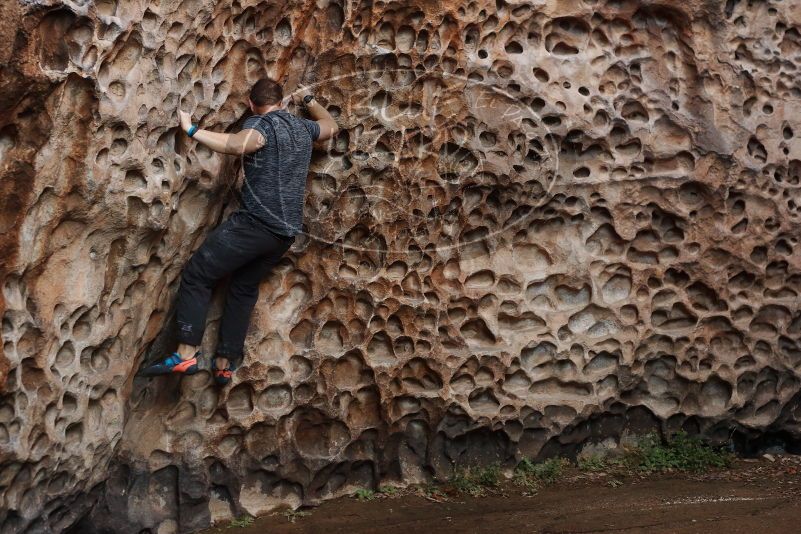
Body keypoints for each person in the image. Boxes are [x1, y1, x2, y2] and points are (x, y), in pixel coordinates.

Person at [140, 77, 339, 385]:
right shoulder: (303, 128)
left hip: (256, 224)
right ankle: (224, 363)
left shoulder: (262, 127)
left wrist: (191, 129)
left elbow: (236, 144)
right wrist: (310, 100)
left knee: (197, 273)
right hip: (284, 234)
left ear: (251, 105)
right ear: (283, 101)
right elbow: (331, 125)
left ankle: (185, 353)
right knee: (243, 288)